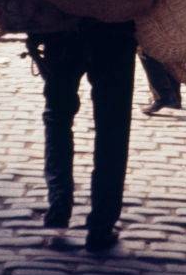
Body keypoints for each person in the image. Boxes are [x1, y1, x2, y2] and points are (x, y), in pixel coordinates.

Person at [26, 20, 136, 253]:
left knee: (57, 116)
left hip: (62, 26)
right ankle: (101, 225)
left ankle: (58, 206)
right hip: (115, 29)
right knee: (113, 126)